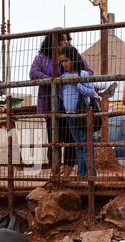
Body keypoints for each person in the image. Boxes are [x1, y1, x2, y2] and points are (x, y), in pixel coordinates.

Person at [29, 32, 76, 175]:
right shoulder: (42, 59)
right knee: (54, 141)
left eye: (67, 40)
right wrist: (53, 80)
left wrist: (72, 77)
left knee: (71, 141)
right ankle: (55, 174)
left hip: (70, 106)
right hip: (51, 107)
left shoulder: (72, 56)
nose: (65, 43)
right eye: (62, 40)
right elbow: (33, 73)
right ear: (52, 42)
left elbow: (88, 71)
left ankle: (66, 175)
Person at [59, 46, 99, 177]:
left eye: (66, 61)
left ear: (73, 59)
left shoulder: (83, 74)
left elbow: (91, 92)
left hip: (82, 115)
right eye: (62, 62)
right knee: (79, 146)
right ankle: (82, 174)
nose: (64, 64)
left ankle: (90, 175)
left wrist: (77, 84)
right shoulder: (63, 77)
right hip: (70, 115)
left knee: (86, 145)